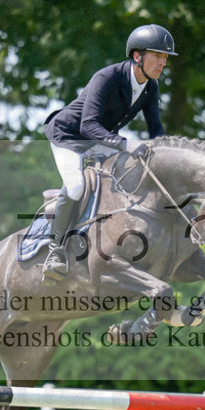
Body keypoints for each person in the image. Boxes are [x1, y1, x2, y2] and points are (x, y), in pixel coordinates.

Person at [40, 23, 176, 283]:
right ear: (138, 56)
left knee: (129, 174)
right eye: (158, 56)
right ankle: (55, 249)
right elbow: (87, 125)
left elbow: (156, 130)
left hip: (98, 141)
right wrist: (125, 144)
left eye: (165, 58)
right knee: (77, 186)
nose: (163, 63)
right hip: (68, 137)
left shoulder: (151, 87)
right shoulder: (107, 77)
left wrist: (165, 158)